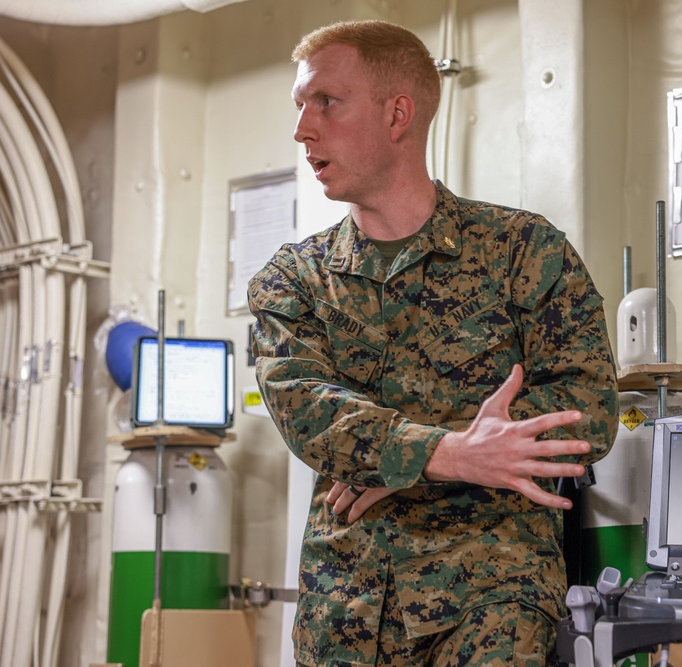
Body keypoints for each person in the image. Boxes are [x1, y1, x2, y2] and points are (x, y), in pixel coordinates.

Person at [248, 19, 618, 667]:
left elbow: (587, 408)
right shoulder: (293, 279)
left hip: (493, 594)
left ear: (398, 114)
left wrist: (408, 460)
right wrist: (450, 452)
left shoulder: (524, 252)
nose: (302, 128)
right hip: (345, 608)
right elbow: (311, 414)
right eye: (299, 106)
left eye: (326, 102)